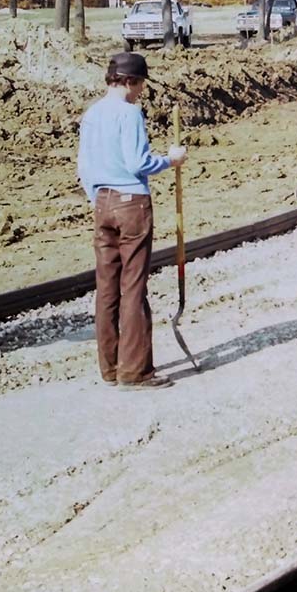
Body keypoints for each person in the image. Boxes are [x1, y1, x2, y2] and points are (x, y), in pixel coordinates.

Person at [78, 53, 187, 390]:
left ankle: (110, 368)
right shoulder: (129, 113)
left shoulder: (92, 113)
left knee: (107, 287)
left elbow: (83, 166)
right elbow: (137, 162)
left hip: (102, 203)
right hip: (131, 206)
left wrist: (97, 197)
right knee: (133, 287)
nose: (140, 92)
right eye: (140, 84)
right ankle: (135, 371)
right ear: (130, 81)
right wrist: (170, 160)